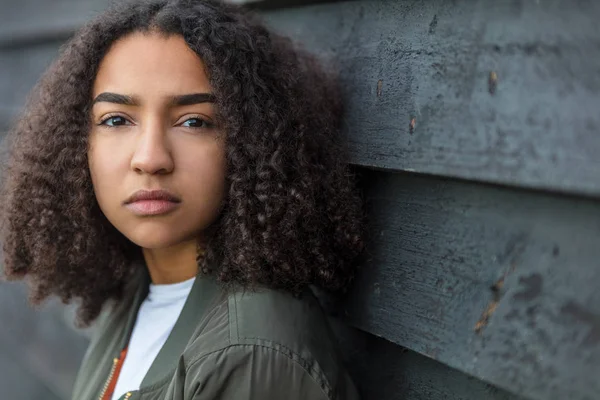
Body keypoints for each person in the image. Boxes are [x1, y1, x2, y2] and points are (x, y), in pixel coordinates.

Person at [0, 0, 364, 399]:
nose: (150, 158)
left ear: (251, 143)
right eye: (117, 120)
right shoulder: (141, 289)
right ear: (75, 146)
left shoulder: (252, 354)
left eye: (194, 121)